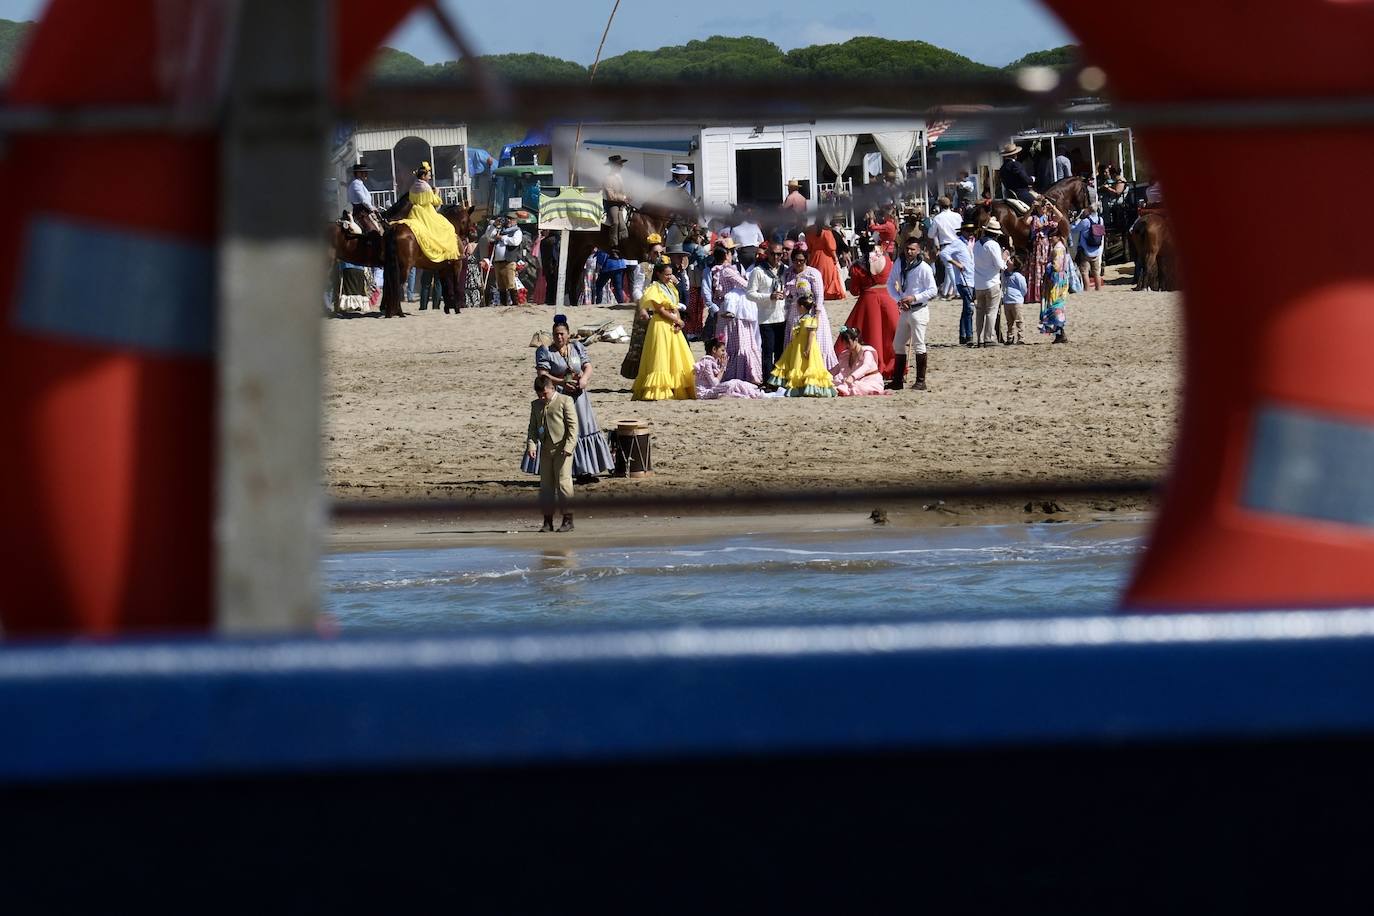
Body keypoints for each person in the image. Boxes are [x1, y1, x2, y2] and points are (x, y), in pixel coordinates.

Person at [524, 317, 615, 484]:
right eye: (556, 334)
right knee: (560, 431)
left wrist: (584, 379)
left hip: (579, 397)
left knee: (581, 428)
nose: (559, 337)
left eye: (562, 334)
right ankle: (558, 471)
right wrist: (561, 382)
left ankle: (583, 471)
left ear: (568, 334)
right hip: (558, 396)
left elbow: (587, 366)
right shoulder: (545, 351)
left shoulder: (577, 347)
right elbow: (542, 374)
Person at [632, 261, 696, 401]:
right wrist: (677, 320)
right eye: (666, 274)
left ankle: (676, 386)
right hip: (660, 324)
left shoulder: (670, 287)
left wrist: (678, 321)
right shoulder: (654, 288)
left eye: (670, 274)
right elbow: (660, 310)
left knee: (675, 355)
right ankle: (659, 389)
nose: (669, 277)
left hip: (672, 324)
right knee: (661, 355)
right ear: (659, 274)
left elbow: (674, 306)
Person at [526, 376, 578, 533]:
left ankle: (568, 519)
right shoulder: (536, 405)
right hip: (546, 450)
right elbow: (532, 428)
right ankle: (547, 521)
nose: (542, 398)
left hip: (563, 450)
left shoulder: (565, 401)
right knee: (546, 486)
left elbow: (573, 427)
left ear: (552, 388)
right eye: (539, 395)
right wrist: (531, 445)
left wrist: (569, 447)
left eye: (544, 394)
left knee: (563, 483)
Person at [839, 245, 898, 379]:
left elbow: (854, 291)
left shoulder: (857, 267)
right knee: (890, 336)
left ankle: (872, 365)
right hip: (888, 299)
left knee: (871, 335)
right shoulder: (888, 262)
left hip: (868, 301)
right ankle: (893, 367)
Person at [887, 237, 936, 391]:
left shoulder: (924, 268)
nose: (909, 252)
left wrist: (914, 298)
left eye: (912, 249)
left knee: (919, 344)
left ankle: (921, 381)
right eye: (907, 249)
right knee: (898, 344)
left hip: (919, 309)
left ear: (918, 250)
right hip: (905, 309)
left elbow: (933, 290)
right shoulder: (899, 263)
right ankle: (898, 380)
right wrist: (899, 299)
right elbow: (890, 283)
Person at [767, 293, 837, 398]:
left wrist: (808, 348)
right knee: (799, 364)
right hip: (798, 345)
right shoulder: (803, 318)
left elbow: (811, 334)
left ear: (802, 307)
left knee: (807, 365)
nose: (797, 308)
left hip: (805, 346)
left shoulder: (810, 320)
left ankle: (807, 387)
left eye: (798, 306)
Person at [712, 243, 762, 385]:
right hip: (735, 311)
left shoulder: (718, 270)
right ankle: (742, 373)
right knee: (741, 341)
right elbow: (745, 285)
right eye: (731, 252)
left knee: (727, 340)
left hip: (725, 307)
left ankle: (727, 371)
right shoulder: (728, 270)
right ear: (726, 255)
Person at [394, 160, 460, 265]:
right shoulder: (426, 187)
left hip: (414, 211)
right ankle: (444, 254)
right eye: (428, 175)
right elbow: (435, 201)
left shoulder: (413, 187)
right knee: (446, 227)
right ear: (423, 176)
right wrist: (436, 193)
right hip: (426, 212)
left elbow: (412, 199)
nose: (429, 177)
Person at [783, 248, 837, 371]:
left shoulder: (813, 273)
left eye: (801, 260)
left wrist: (816, 315)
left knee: (814, 340)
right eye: (796, 260)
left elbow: (819, 295)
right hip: (795, 312)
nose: (798, 263)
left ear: (806, 260)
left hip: (811, 311)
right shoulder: (789, 273)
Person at [747, 242, 789, 373]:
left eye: (779, 254)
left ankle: (778, 378)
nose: (776, 257)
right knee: (767, 351)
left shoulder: (786, 270)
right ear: (767, 254)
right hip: (766, 318)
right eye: (773, 254)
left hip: (783, 316)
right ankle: (767, 380)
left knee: (781, 351)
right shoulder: (758, 271)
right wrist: (769, 296)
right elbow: (750, 294)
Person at [972, 218, 1007, 347]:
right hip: (991, 282)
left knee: (980, 312)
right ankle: (989, 338)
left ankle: (979, 338)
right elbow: (999, 265)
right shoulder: (993, 245)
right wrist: (1005, 260)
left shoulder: (976, 244)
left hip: (979, 283)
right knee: (991, 311)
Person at [695, 338, 763, 399]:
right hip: (704, 392)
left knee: (735, 382)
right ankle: (755, 394)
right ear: (714, 350)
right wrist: (723, 367)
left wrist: (722, 366)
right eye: (722, 350)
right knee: (732, 384)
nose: (724, 353)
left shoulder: (714, 362)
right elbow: (715, 383)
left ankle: (756, 391)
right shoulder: (707, 362)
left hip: (712, 390)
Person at [832, 326, 886, 397]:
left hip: (871, 381)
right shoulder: (846, 355)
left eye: (848, 343)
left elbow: (866, 366)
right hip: (856, 381)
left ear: (856, 340)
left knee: (857, 387)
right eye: (845, 343)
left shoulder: (866, 352)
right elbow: (838, 368)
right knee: (835, 382)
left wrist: (852, 377)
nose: (846, 345)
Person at [483, 213, 524, 306]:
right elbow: (489, 236)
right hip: (498, 261)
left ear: (515, 221)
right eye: (507, 218)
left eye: (511, 219)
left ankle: (515, 303)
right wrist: (494, 225)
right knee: (500, 284)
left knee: (510, 283)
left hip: (509, 261)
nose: (508, 220)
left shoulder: (517, 231)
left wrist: (502, 238)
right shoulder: (500, 230)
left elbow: (515, 241)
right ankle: (503, 303)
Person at [929, 197, 962, 301]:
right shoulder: (957, 216)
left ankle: (957, 291)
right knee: (954, 269)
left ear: (939, 206)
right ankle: (946, 291)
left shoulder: (938, 218)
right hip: (958, 243)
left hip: (946, 244)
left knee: (950, 269)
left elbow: (931, 234)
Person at [804, 219, 845, 301]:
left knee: (816, 275)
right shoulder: (827, 232)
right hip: (826, 256)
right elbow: (831, 247)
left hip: (814, 256)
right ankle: (828, 292)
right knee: (828, 276)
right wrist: (835, 257)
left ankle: (817, 292)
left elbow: (809, 247)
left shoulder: (810, 232)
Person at [1040, 236, 1071, 344]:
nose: (1050, 238)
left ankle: (1060, 334)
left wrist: (1047, 264)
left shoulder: (1058, 249)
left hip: (1056, 281)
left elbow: (1056, 267)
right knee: (1057, 306)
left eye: (1052, 236)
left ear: (1058, 237)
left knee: (1055, 306)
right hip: (1060, 280)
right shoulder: (1061, 247)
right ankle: (1059, 333)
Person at [1025, 201, 1057, 304]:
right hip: (1037, 246)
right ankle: (1036, 294)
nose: (1042, 208)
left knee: (1046, 267)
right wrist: (1031, 208)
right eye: (1041, 206)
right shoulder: (1034, 218)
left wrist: (1053, 207)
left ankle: (1045, 291)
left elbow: (1060, 218)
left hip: (1046, 246)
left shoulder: (1049, 217)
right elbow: (1025, 220)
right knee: (1036, 269)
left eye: (1044, 206)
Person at [1073, 203, 1106, 291]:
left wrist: (1075, 220)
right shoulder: (1100, 220)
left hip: (1086, 250)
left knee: (1084, 272)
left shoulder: (1085, 221)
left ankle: (1087, 290)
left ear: (1089, 210)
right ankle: (1098, 289)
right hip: (1097, 249)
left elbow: (1075, 229)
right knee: (1096, 272)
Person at [347, 161, 382, 235]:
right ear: (358, 173)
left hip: (364, 211)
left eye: (366, 172)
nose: (366, 174)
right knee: (373, 233)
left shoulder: (359, 183)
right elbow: (363, 200)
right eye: (364, 172)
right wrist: (372, 208)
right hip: (361, 213)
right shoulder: (356, 184)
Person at [602, 155, 630, 246]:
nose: (622, 166)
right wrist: (624, 198)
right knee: (615, 222)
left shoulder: (620, 177)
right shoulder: (608, 178)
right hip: (612, 204)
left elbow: (622, 191)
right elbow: (611, 196)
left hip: (621, 202)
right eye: (619, 164)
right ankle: (613, 244)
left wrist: (628, 196)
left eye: (621, 164)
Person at [1001, 253, 1028, 345]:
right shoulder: (1005, 274)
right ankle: (1010, 337)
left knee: (1019, 320)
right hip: (1006, 301)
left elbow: (1023, 288)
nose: (1008, 261)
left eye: (1011, 260)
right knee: (1009, 322)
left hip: (1016, 301)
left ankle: (1021, 337)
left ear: (1015, 265)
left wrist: (1020, 296)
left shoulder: (1017, 276)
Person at [731, 206, 764, 271]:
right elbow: (761, 240)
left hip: (743, 253)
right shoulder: (755, 226)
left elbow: (732, 244)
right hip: (753, 252)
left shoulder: (735, 229)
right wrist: (756, 244)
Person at [460, 225, 484, 311]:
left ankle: (468, 302)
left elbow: (465, 255)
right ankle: (476, 302)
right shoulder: (477, 245)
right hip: (475, 267)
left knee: (468, 286)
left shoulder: (468, 246)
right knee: (476, 286)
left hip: (469, 267)